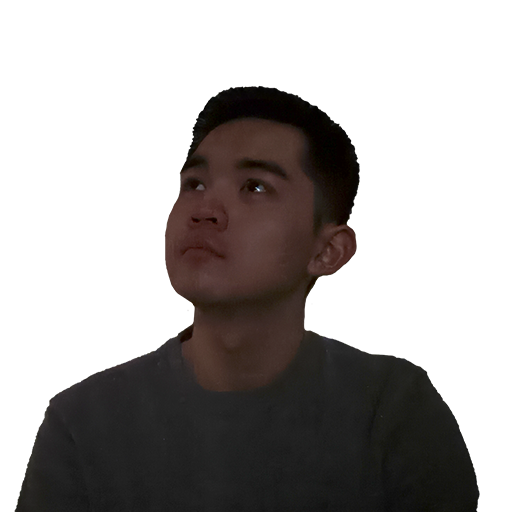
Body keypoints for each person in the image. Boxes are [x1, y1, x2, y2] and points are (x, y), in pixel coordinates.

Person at [17, 86, 479, 511]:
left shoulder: (393, 410)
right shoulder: (82, 423)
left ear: (328, 251)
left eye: (255, 187)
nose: (205, 210)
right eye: (194, 184)